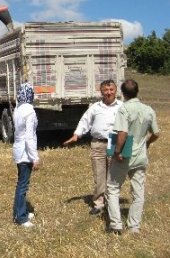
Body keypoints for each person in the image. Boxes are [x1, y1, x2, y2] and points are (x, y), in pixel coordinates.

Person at [106, 79, 159, 234]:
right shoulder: (148, 109)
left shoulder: (124, 109)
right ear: (137, 91)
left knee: (113, 188)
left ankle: (116, 224)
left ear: (122, 93)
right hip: (141, 156)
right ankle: (134, 226)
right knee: (138, 192)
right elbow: (156, 133)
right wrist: (147, 143)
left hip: (125, 156)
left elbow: (122, 133)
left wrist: (117, 152)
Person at [63, 79, 122, 215]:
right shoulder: (95, 107)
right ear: (101, 91)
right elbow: (85, 121)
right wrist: (76, 135)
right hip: (97, 143)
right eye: (105, 90)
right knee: (99, 174)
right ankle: (99, 203)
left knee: (113, 175)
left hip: (114, 143)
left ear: (115, 90)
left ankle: (112, 203)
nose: (108, 93)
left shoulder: (122, 107)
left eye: (111, 90)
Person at [12, 82, 40, 228]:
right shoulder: (30, 111)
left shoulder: (18, 108)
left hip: (18, 149)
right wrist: (35, 157)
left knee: (21, 183)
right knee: (23, 185)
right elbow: (29, 136)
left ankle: (20, 211)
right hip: (25, 152)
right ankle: (21, 217)